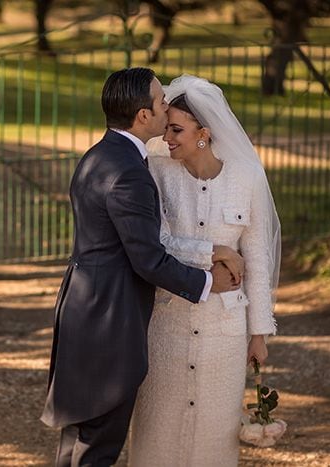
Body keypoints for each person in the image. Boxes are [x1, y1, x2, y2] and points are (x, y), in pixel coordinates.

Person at [40, 68, 243, 466]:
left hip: (87, 311)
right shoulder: (129, 172)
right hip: (107, 323)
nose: (168, 106)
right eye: (161, 101)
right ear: (143, 116)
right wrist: (208, 283)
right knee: (95, 449)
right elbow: (148, 259)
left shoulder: (100, 156)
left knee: (82, 445)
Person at [128, 74, 282, 466]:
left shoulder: (246, 179)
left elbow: (258, 259)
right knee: (156, 430)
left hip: (225, 334)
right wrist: (214, 253)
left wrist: (259, 333)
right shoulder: (158, 175)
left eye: (177, 130)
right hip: (165, 326)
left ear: (204, 133)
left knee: (216, 434)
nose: (168, 138)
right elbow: (155, 245)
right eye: (168, 129)